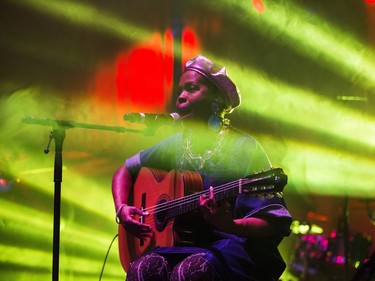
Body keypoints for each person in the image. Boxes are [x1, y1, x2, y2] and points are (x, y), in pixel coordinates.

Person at [112, 55, 292, 281]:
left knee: (190, 272)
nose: (181, 98)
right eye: (180, 91)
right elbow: (125, 171)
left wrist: (230, 224)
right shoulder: (177, 143)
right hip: (184, 245)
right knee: (142, 269)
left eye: (191, 89)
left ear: (216, 98)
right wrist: (122, 209)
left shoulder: (243, 147)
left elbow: (270, 222)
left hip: (233, 246)